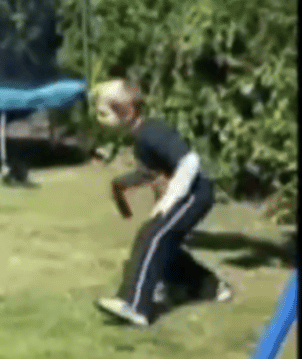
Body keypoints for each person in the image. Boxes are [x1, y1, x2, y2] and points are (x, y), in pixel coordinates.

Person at [93, 79, 233, 327]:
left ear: (126, 112)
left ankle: (135, 306)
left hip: (195, 193)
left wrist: (169, 200)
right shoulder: (141, 136)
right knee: (159, 240)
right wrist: (121, 184)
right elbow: (149, 172)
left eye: (103, 113)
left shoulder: (152, 132)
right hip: (189, 193)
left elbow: (189, 162)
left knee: (154, 237)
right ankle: (209, 286)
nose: (98, 119)